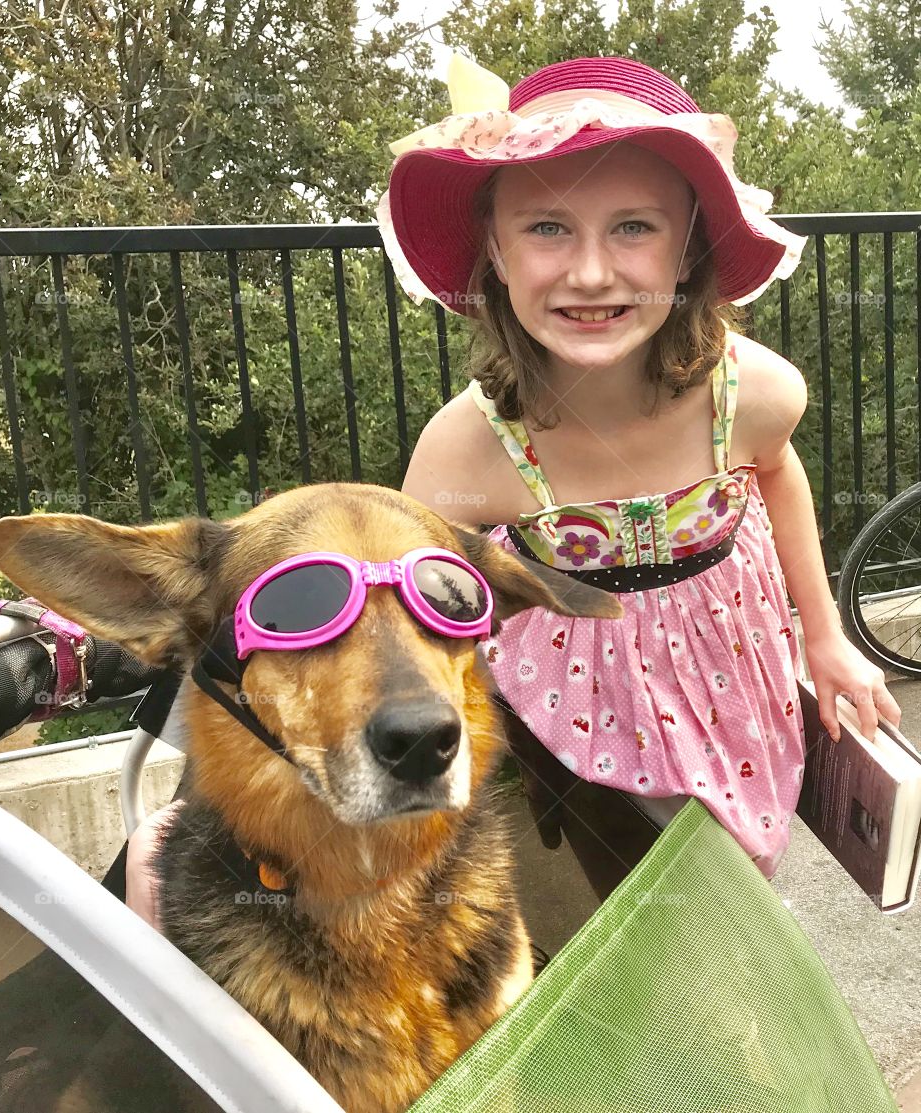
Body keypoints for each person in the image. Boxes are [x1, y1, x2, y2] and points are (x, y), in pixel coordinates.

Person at [386, 53, 902, 894]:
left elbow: (776, 471)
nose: (591, 273)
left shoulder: (753, 396)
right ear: (496, 249)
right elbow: (409, 598)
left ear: (689, 246)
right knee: (620, 906)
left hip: (735, 683)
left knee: (737, 885)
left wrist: (825, 637)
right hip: (570, 723)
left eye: (634, 226)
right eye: (547, 228)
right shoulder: (469, 450)